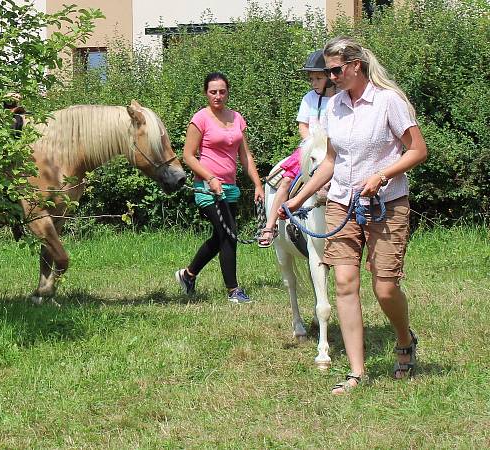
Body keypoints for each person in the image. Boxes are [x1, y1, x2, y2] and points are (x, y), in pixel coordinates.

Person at [278, 36, 428, 394]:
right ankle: (357, 373)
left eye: (335, 70)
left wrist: (382, 175)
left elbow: (417, 150)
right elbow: (330, 162)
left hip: (386, 204)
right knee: (345, 284)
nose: (330, 78)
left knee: (385, 286)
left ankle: (405, 340)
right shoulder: (334, 108)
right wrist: (299, 198)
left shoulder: (388, 101)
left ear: (355, 66)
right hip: (342, 204)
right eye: (327, 72)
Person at [175, 72, 265, 304]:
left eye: (222, 91)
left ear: (228, 92)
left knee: (221, 236)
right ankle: (233, 291)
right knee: (228, 234)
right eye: (213, 91)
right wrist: (210, 178)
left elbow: (245, 156)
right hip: (206, 188)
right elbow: (188, 156)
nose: (217, 96)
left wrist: (257, 184)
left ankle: (188, 275)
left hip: (231, 188)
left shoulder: (236, 118)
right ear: (206, 93)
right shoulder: (200, 119)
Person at [258, 50, 336, 247]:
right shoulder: (309, 98)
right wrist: (311, 143)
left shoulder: (341, 98)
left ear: (329, 77)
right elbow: (303, 125)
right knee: (285, 180)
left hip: (335, 150)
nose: (314, 83)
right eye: (311, 79)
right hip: (310, 149)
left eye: (318, 78)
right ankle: (270, 225)